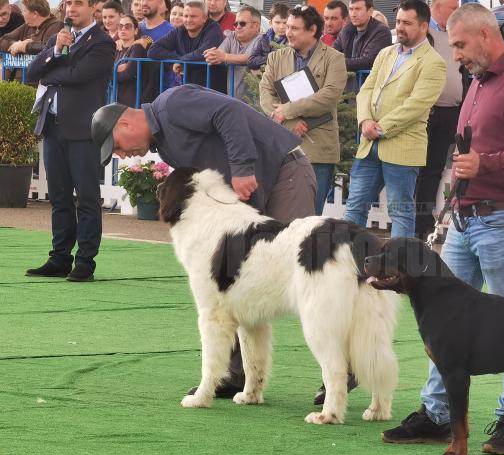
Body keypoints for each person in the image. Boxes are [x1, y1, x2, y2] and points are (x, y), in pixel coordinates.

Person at [382, 3, 504, 455]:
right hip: (463, 219)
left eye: (458, 44)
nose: (454, 54)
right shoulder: (476, 83)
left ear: (483, 35)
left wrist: (485, 164)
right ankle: (437, 415)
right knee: (441, 323)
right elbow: (466, 154)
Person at [91, 84, 317, 397]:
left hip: (282, 174)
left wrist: (241, 168)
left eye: (115, 146)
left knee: (308, 276)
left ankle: (345, 371)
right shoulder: (165, 140)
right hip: (253, 193)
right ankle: (233, 375)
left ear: (125, 124)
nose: (121, 155)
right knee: (233, 284)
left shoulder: (173, 103)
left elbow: (230, 112)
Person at [25, 0, 116, 282]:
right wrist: (54, 51)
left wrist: (51, 72)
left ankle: (85, 262)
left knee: (87, 198)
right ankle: (59, 257)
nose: (71, 10)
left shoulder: (102, 42)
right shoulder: (58, 38)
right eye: (67, 4)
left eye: (78, 4)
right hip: (53, 127)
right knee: (60, 197)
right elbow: (31, 73)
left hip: (83, 129)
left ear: (93, 8)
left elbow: (78, 76)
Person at [343, 0, 445, 238]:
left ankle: (400, 270)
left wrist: (379, 128)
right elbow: (366, 91)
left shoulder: (434, 63)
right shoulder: (385, 53)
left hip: (403, 146)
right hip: (369, 145)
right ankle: (346, 264)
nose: (400, 27)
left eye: (407, 23)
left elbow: (416, 106)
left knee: (400, 212)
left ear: (423, 26)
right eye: (398, 21)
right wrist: (365, 122)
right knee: (354, 207)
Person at [260, 5, 347, 215]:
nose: (287, 32)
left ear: (312, 30)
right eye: (287, 26)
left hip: (318, 149)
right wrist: (289, 123)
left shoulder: (334, 58)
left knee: (311, 219)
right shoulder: (276, 58)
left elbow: (328, 97)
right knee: (279, 214)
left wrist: (289, 110)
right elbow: (265, 94)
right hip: (284, 147)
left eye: (295, 28)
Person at [414, 0, 466, 240]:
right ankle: (415, 222)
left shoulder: (456, 33)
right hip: (426, 110)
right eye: (452, 7)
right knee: (417, 168)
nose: (456, 12)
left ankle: (424, 222)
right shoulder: (422, 32)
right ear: (436, 6)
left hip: (449, 110)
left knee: (434, 168)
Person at [148, 0, 224, 91]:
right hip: (188, 87)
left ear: (205, 18)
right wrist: (178, 60)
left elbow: (203, 53)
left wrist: (180, 61)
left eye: (193, 16)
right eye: (185, 16)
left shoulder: (214, 29)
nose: (188, 20)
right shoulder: (179, 30)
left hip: (213, 88)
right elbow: (153, 50)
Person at [204, 4, 260, 102]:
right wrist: (212, 55)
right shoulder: (232, 36)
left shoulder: (261, 39)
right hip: (232, 102)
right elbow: (219, 54)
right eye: (235, 24)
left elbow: (251, 58)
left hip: (255, 104)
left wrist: (225, 57)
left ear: (256, 25)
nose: (237, 27)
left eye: (242, 23)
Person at [333, 0, 392, 90]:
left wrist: (337, 62)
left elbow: (368, 61)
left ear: (370, 11)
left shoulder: (381, 32)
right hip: (345, 88)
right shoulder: (347, 30)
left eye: (358, 9)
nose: (353, 14)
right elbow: (332, 53)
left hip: (369, 88)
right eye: (351, 9)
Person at [114, 14, 148, 107]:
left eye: (127, 26)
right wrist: (116, 69)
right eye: (120, 26)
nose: (123, 29)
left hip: (132, 99)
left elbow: (129, 73)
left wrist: (110, 73)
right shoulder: (116, 47)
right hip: (115, 98)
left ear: (136, 30)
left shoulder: (137, 47)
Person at [246, 2, 288, 71]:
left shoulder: (292, 40)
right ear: (270, 23)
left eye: (285, 23)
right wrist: (272, 58)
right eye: (277, 22)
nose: (281, 26)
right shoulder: (263, 38)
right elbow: (251, 61)